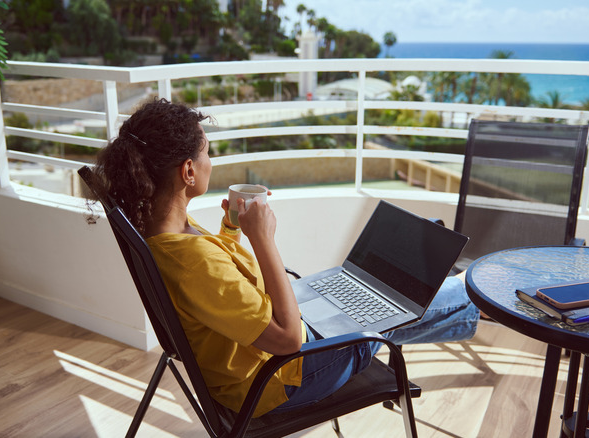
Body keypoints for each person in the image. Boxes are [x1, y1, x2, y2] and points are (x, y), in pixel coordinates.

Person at [90, 98, 479, 417]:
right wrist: (263, 239)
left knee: (382, 292)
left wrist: (231, 229)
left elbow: (218, 286)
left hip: (262, 350)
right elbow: (290, 340)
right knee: (395, 304)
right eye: (208, 152)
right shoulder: (194, 262)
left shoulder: (165, 231)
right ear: (189, 171)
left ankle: (456, 294)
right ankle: (472, 289)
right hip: (279, 379)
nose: (212, 161)